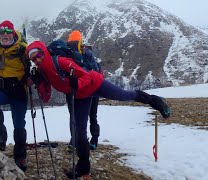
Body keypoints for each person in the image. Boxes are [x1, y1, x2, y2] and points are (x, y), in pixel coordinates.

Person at [27, 40, 171, 178]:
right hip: (79, 96)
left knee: (124, 95)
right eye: (34, 59)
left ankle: (155, 101)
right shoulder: (43, 72)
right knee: (80, 132)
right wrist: (37, 82)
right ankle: (83, 167)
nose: (37, 60)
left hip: (95, 84)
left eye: (38, 55)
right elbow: (45, 97)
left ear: (43, 51)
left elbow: (86, 76)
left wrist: (76, 84)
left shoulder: (60, 61)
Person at [0, 20, 31, 171]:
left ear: (13, 33)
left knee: (19, 124)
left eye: (8, 32)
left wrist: (31, 77)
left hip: (18, 90)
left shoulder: (23, 48)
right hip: (1, 89)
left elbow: (32, 63)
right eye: (2, 33)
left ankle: (20, 156)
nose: (5, 35)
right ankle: (0, 137)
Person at [66, 30, 101, 150]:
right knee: (87, 115)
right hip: (83, 88)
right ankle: (82, 140)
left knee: (83, 115)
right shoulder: (85, 53)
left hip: (87, 88)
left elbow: (94, 70)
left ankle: (87, 140)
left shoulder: (86, 54)